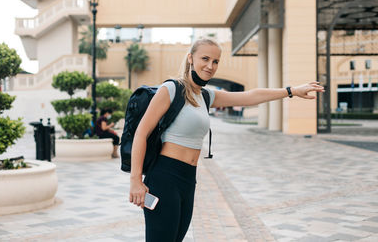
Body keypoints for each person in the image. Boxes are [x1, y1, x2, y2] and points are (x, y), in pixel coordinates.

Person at [129, 38, 325, 241]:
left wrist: (291, 91)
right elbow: (141, 134)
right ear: (190, 58)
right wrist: (135, 181)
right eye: (205, 58)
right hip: (165, 177)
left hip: (188, 179)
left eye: (215, 61)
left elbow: (250, 96)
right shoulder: (171, 89)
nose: (210, 66)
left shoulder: (205, 95)